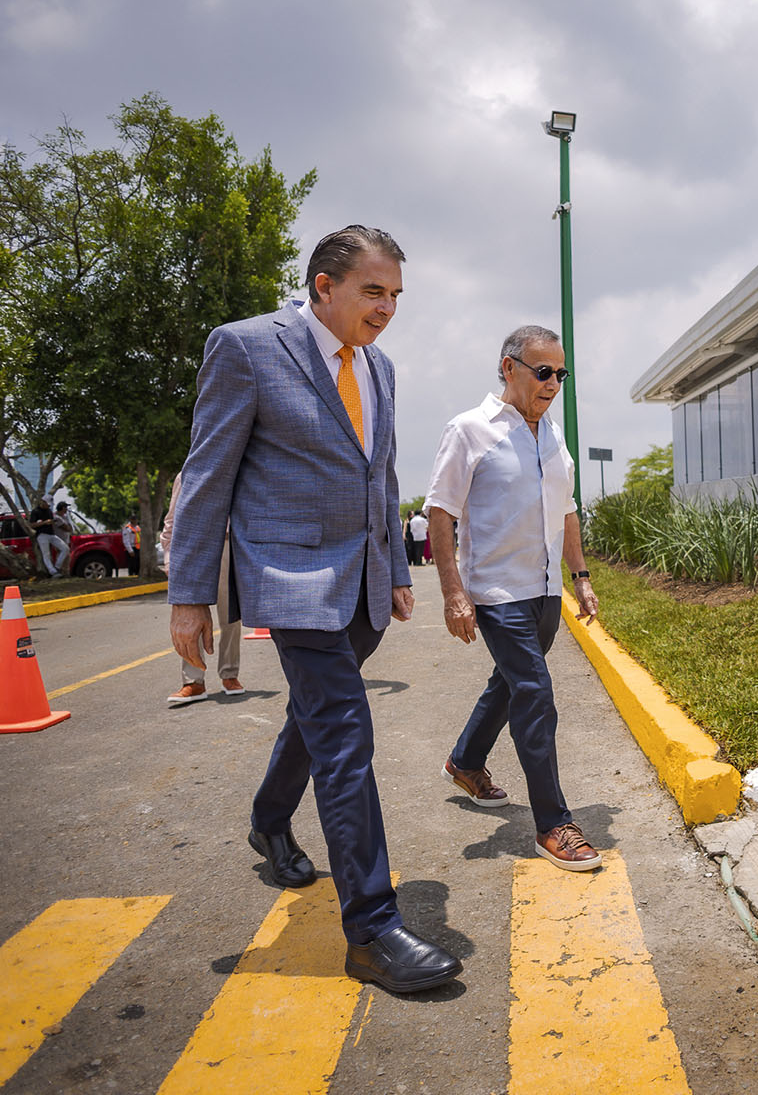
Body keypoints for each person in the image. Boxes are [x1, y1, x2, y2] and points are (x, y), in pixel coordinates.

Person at [168, 225, 459, 995]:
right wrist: (190, 594)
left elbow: (380, 471)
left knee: (316, 716)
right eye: (374, 291)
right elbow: (207, 474)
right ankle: (372, 929)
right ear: (324, 286)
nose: (388, 308)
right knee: (344, 733)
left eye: (396, 295)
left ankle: (269, 816)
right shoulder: (245, 347)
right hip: (289, 575)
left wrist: (396, 567)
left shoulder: (382, 368)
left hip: (361, 582)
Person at [424, 325, 602, 872]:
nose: (553, 384)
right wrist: (454, 592)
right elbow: (441, 511)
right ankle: (553, 823)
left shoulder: (552, 433)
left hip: (545, 589)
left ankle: (465, 760)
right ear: (509, 368)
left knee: (508, 684)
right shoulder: (470, 430)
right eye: (542, 372)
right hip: (498, 591)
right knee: (533, 693)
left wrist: (581, 575)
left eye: (560, 374)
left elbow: (566, 509)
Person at [160, 470, 244, 706]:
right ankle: (193, 681)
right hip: (193, 546)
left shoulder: (233, 470)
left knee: (230, 616)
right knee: (190, 616)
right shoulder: (185, 475)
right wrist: (170, 559)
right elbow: (171, 521)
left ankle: (230, 675)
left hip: (228, 544)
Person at [29, 499, 69, 577]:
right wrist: (44, 522)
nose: (49, 506)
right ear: (43, 502)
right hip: (42, 535)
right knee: (46, 554)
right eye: (48, 504)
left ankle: (57, 566)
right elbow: (32, 525)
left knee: (65, 548)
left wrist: (52, 522)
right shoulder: (35, 511)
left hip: (51, 534)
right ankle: (52, 571)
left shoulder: (49, 511)